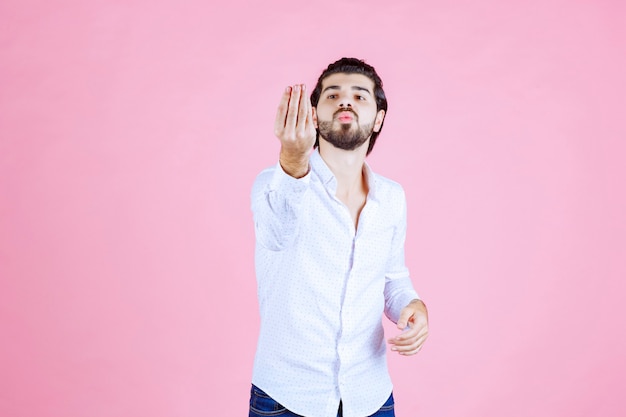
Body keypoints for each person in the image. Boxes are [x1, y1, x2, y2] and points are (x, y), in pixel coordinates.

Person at [250, 57, 429, 417]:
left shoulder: (392, 198)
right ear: (313, 115)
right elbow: (275, 234)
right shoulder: (273, 184)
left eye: (360, 96)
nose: (345, 101)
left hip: (371, 397)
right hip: (286, 399)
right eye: (332, 95)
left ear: (378, 118)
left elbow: (393, 278)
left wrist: (413, 307)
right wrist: (292, 159)